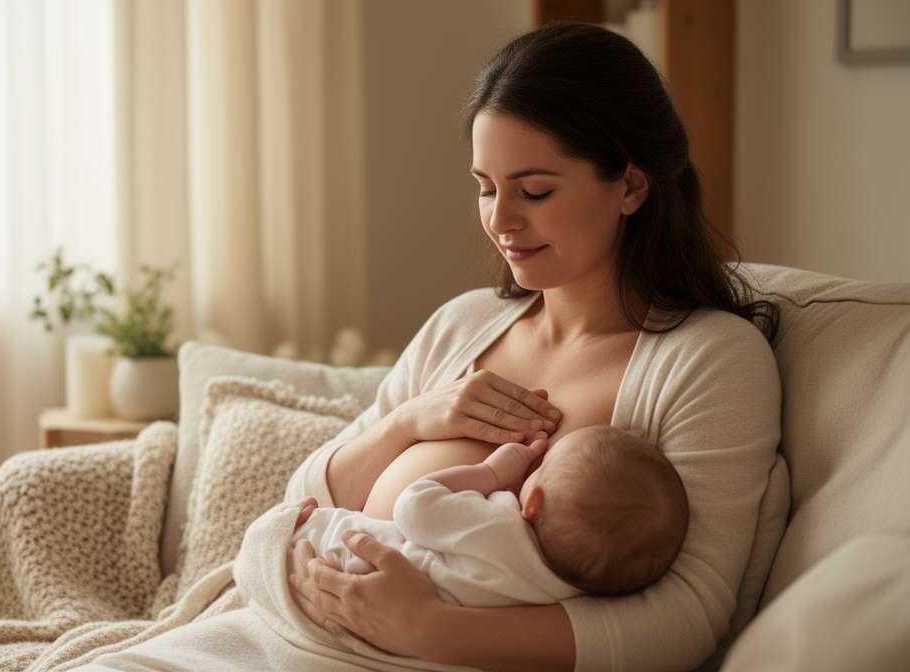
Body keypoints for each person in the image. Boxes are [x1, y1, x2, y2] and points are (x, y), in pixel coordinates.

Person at [284, 21, 783, 672]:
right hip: (301, 631)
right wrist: (411, 421)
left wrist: (429, 628)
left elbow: (690, 615)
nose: (501, 220)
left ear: (631, 186)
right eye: (486, 187)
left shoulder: (710, 360)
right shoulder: (463, 325)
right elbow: (299, 502)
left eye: (535, 190)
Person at [287, 425, 689, 619]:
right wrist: (406, 421)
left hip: (360, 572)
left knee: (286, 533)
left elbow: (414, 506)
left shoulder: (499, 526)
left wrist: (490, 474)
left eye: (543, 466)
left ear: (532, 503)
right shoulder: (563, 589)